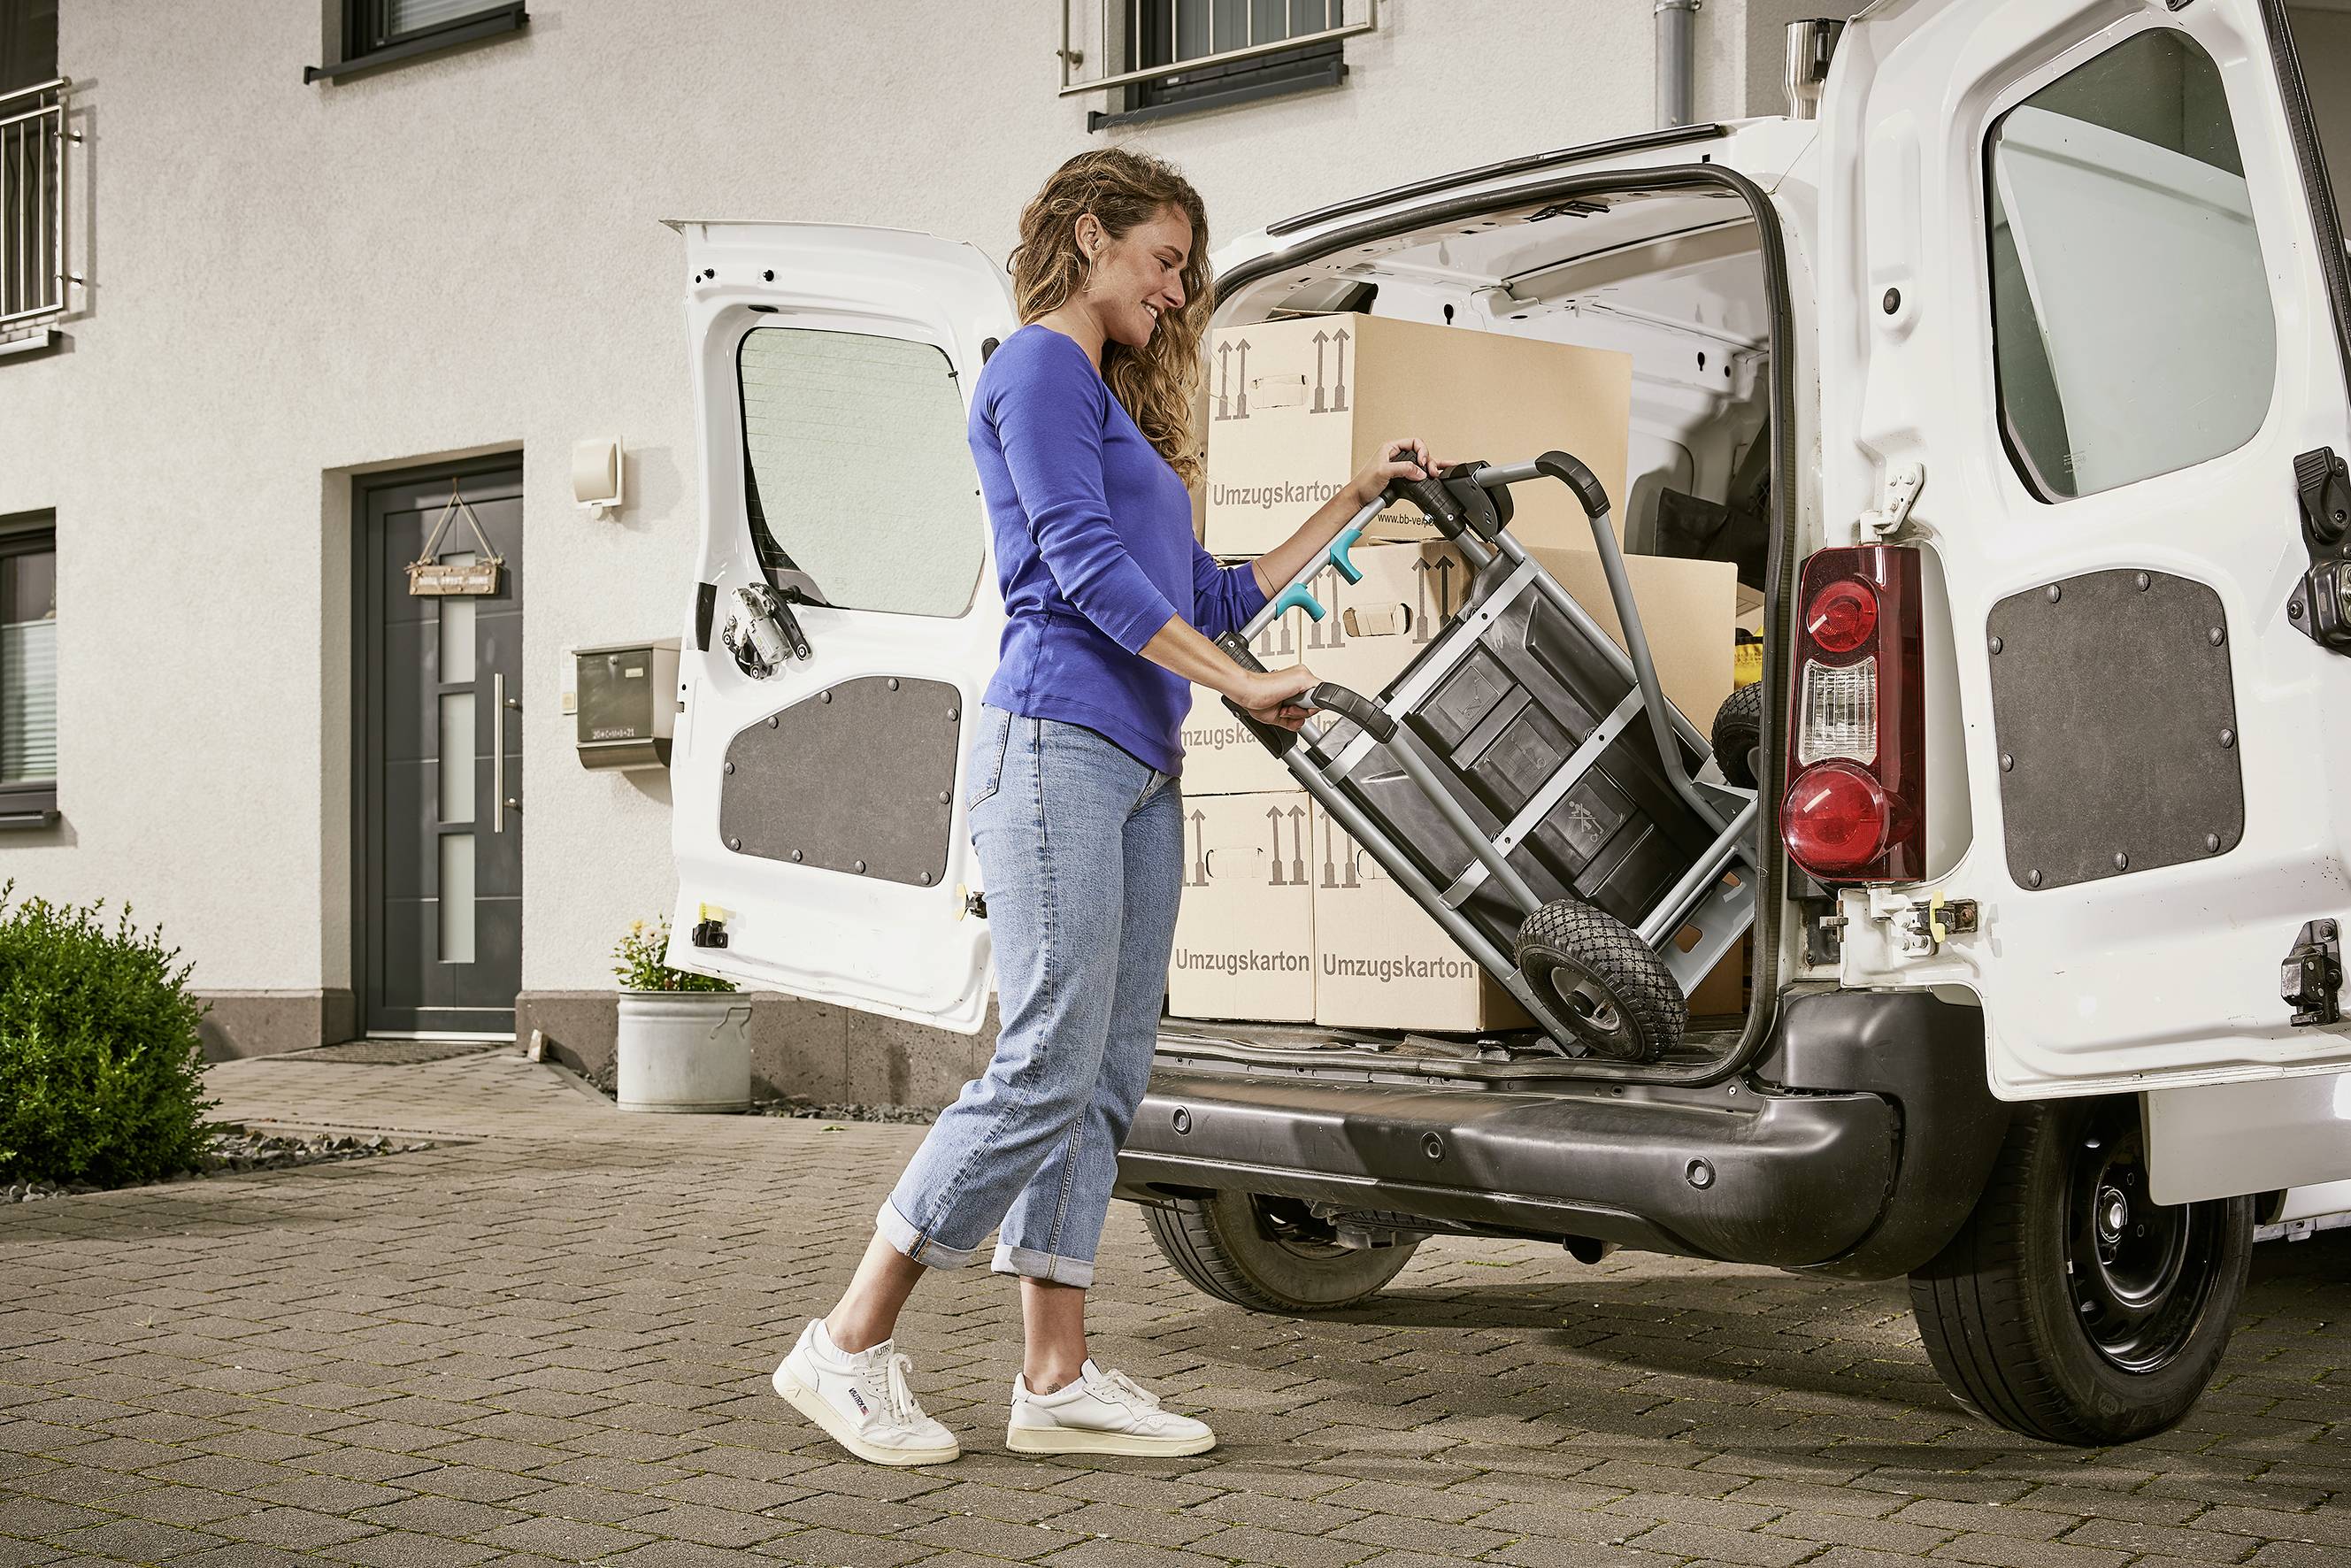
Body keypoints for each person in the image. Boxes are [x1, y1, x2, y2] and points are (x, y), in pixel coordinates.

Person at [772, 147, 1440, 1466]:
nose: (1178, 291)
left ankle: (1055, 1377)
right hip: (1052, 747)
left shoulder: (1117, 409)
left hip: (1142, 762)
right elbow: (1080, 572)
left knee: (1104, 1075)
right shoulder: (1034, 368)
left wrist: (1356, 498)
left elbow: (1211, 595)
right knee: (1044, 1058)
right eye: (1163, 259)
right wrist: (1243, 687)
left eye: (1184, 269)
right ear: (1090, 236)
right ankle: (845, 1343)